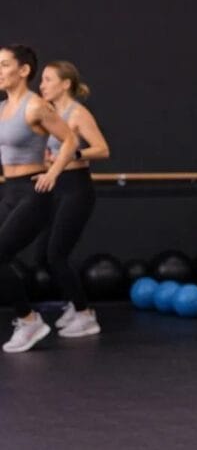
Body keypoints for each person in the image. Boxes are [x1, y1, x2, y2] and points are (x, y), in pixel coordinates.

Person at [0, 45, 77, 353]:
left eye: (4, 65)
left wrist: (54, 172)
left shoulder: (36, 107)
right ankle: (28, 319)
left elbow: (70, 139)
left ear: (23, 70)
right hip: (9, 191)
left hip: (34, 195)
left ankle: (29, 320)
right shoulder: (2, 108)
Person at [39, 60, 110, 338]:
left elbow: (102, 149)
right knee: (45, 255)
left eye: (47, 79)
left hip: (77, 188)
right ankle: (74, 304)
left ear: (65, 84)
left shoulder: (77, 113)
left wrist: (74, 154)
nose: (42, 85)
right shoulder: (50, 114)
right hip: (56, 187)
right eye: (41, 80)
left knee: (56, 254)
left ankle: (84, 315)